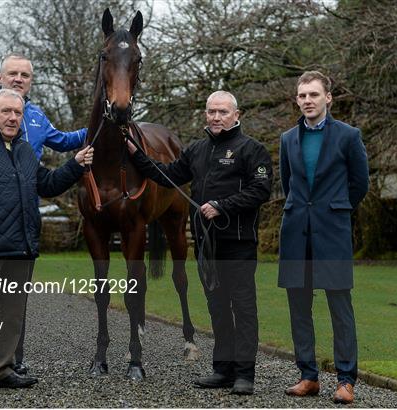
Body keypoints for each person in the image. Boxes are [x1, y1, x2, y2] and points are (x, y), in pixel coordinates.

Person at [0, 89, 93, 395]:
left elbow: (47, 185)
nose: (13, 117)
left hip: (21, 245)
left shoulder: (24, 150)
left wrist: (75, 164)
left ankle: (0, 369)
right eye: (6, 111)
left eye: (18, 113)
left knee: (10, 313)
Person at [127, 91, 272, 395]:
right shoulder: (197, 150)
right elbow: (166, 176)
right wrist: (136, 154)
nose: (216, 117)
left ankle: (245, 374)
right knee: (217, 307)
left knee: (243, 308)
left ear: (237, 115)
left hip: (238, 242)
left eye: (222, 112)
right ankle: (223, 370)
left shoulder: (252, 150)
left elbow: (261, 191)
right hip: (207, 245)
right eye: (211, 112)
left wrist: (223, 205)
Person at [0, 52, 87, 374]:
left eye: (25, 75)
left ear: (31, 81)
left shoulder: (36, 117)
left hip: (25, 222)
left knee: (13, 303)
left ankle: (6, 363)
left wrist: (98, 125)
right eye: (13, 73)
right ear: (0, 77)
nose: (19, 79)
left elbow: (63, 142)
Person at [278, 71, 369, 404]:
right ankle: (308, 376)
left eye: (313, 95)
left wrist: (336, 209)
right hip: (295, 233)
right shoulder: (287, 139)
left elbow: (360, 184)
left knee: (340, 309)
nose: (307, 101)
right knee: (299, 308)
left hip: (333, 234)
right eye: (302, 96)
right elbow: (289, 185)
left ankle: (346, 380)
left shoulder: (348, 136)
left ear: (328, 98)